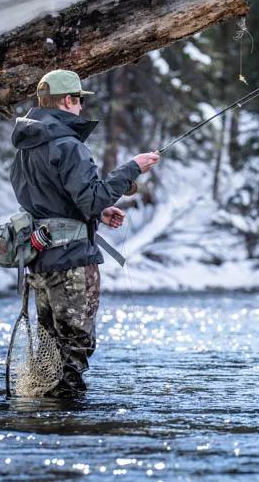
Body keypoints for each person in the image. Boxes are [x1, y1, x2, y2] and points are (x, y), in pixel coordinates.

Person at [9, 69, 159, 397]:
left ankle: (44, 420)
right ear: (67, 100)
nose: (80, 107)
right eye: (78, 100)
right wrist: (132, 168)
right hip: (73, 262)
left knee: (49, 349)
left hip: (40, 261)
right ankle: (68, 427)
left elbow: (45, 200)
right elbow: (91, 197)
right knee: (74, 349)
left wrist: (98, 213)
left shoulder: (25, 147)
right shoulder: (67, 145)